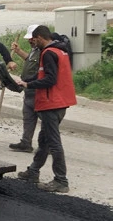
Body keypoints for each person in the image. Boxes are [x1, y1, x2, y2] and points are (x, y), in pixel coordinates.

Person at [15, 24, 76, 192]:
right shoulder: (61, 50)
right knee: (44, 140)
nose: (34, 44)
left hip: (51, 103)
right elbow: (43, 74)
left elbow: (50, 79)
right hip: (61, 101)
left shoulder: (48, 53)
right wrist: (26, 80)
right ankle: (33, 171)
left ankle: (61, 181)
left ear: (40, 38)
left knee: (53, 143)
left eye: (35, 41)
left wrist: (28, 83)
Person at [8, 24, 42, 153]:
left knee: (45, 120)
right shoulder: (34, 49)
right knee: (28, 117)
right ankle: (26, 142)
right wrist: (18, 51)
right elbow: (30, 60)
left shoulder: (43, 51)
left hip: (37, 90)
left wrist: (27, 81)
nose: (30, 40)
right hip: (28, 90)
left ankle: (48, 145)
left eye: (32, 38)